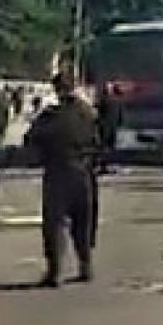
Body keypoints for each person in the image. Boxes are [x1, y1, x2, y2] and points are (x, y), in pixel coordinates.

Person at [25, 72, 100, 287]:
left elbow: (31, 138)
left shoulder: (50, 116)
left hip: (57, 172)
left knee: (54, 224)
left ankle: (55, 270)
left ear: (56, 90)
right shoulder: (88, 113)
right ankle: (86, 264)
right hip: (83, 171)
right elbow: (99, 140)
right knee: (83, 222)